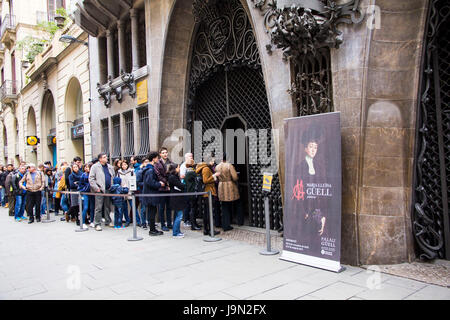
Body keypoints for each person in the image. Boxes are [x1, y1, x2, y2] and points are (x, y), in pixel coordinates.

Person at [215, 153, 241, 231]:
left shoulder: (217, 166)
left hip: (221, 185)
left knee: (224, 205)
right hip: (229, 186)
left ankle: (225, 224)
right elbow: (235, 177)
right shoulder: (229, 165)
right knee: (237, 203)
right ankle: (236, 221)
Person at [195, 157, 221, 236]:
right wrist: (214, 175)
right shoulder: (206, 168)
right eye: (212, 160)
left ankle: (207, 229)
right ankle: (209, 230)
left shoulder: (205, 167)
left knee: (207, 212)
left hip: (207, 192)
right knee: (208, 212)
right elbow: (205, 180)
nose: (213, 162)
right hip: (208, 191)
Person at [89, 153, 115, 231]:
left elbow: (113, 176)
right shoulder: (95, 167)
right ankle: (97, 223)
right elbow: (91, 179)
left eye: (106, 157)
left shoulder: (110, 167)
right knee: (98, 207)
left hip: (108, 189)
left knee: (107, 206)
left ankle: (108, 220)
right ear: (100, 159)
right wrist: (96, 188)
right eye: (104, 157)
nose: (106, 158)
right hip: (99, 190)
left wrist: (112, 186)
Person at [142, 152, 164, 236]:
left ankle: (153, 229)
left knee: (152, 212)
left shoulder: (149, 169)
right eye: (157, 158)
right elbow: (150, 182)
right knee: (152, 212)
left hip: (150, 194)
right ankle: (152, 230)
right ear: (154, 158)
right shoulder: (150, 170)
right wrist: (159, 184)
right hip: (151, 194)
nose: (158, 160)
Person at [154, 147, 175, 231]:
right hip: (162, 188)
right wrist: (166, 182)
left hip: (169, 188)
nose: (165, 154)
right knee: (162, 207)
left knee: (169, 207)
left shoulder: (171, 162)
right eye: (163, 153)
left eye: (166, 152)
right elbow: (158, 175)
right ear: (160, 154)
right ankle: (163, 224)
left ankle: (169, 223)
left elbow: (173, 173)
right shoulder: (157, 164)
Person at [168, 163, 189, 238]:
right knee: (179, 216)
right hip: (176, 198)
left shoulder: (174, 176)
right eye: (178, 167)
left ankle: (177, 231)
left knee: (177, 215)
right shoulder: (172, 177)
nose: (179, 169)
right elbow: (180, 185)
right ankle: (175, 233)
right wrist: (183, 182)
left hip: (178, 197)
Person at [184, 159, 202, 230]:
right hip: (192, 191)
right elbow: (198, 177)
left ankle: (194, 223)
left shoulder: (187, 170)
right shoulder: (191, 171)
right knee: (193, 208)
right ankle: (193, 225)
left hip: (190, 191)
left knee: (193, 208)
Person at [117, 160, 133, 227]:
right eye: (123, 165)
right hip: (122, 191)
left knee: (133, 206)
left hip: (130, 191)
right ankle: (127, 220)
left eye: (125, 165)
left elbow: (133, 180)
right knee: (124, 208)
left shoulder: (131, 171)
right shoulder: (119, 173)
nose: (124, 166)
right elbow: (117, 181)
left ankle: (137, 221)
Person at [180, 153, 193, 226]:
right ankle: (186, 220)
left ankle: (190, 219)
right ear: (186, 158)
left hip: (190, 186)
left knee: (190, 204)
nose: (191, 158)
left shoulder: (191, 165)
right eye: (190, 157)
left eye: (192, 156)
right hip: (185, 186)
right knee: (187, 204)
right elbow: (182, 176)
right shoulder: (183, 166)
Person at [136, 158, 150, 229]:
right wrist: (146, 184)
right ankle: (143, 223)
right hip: (142, 192)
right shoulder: (140, 171)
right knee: (143, 208)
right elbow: (138, 182)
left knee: (150, 208)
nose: (147, 163)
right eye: (146, 162)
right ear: (143, 163)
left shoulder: (151, 170)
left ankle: (150, 222)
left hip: (150, 192)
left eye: (148, 162)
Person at [78, 163, 93, 228]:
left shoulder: (93, 175)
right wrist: (83, 190)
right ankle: (83, 222)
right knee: (85, 207)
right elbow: (80, 185)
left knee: (92, 207)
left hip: (92, 192)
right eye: (86, 167)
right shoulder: (83, 175)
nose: (87, 168)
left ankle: (92, 221)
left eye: (88, 167)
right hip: (85, 193)